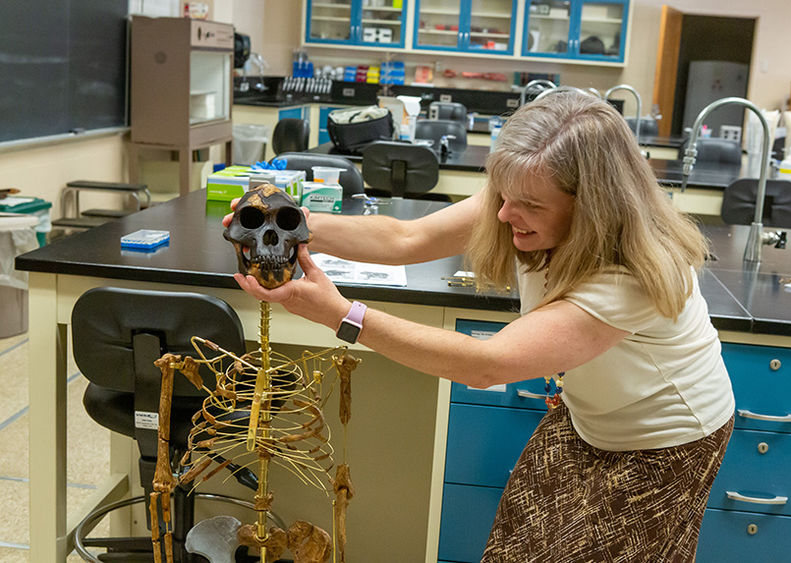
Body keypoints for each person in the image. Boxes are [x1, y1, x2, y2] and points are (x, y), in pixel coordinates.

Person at [225, 92, 735, 562]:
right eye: (503, 196)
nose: (505, 213)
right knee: (515, 548)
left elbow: (488, 365)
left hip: (666, 439)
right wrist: (288, 221)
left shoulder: (631, 275)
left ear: (593, 208)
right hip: (589, 418)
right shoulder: (519, 194)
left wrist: (342, 315)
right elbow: (407, 238)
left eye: (531, 206)